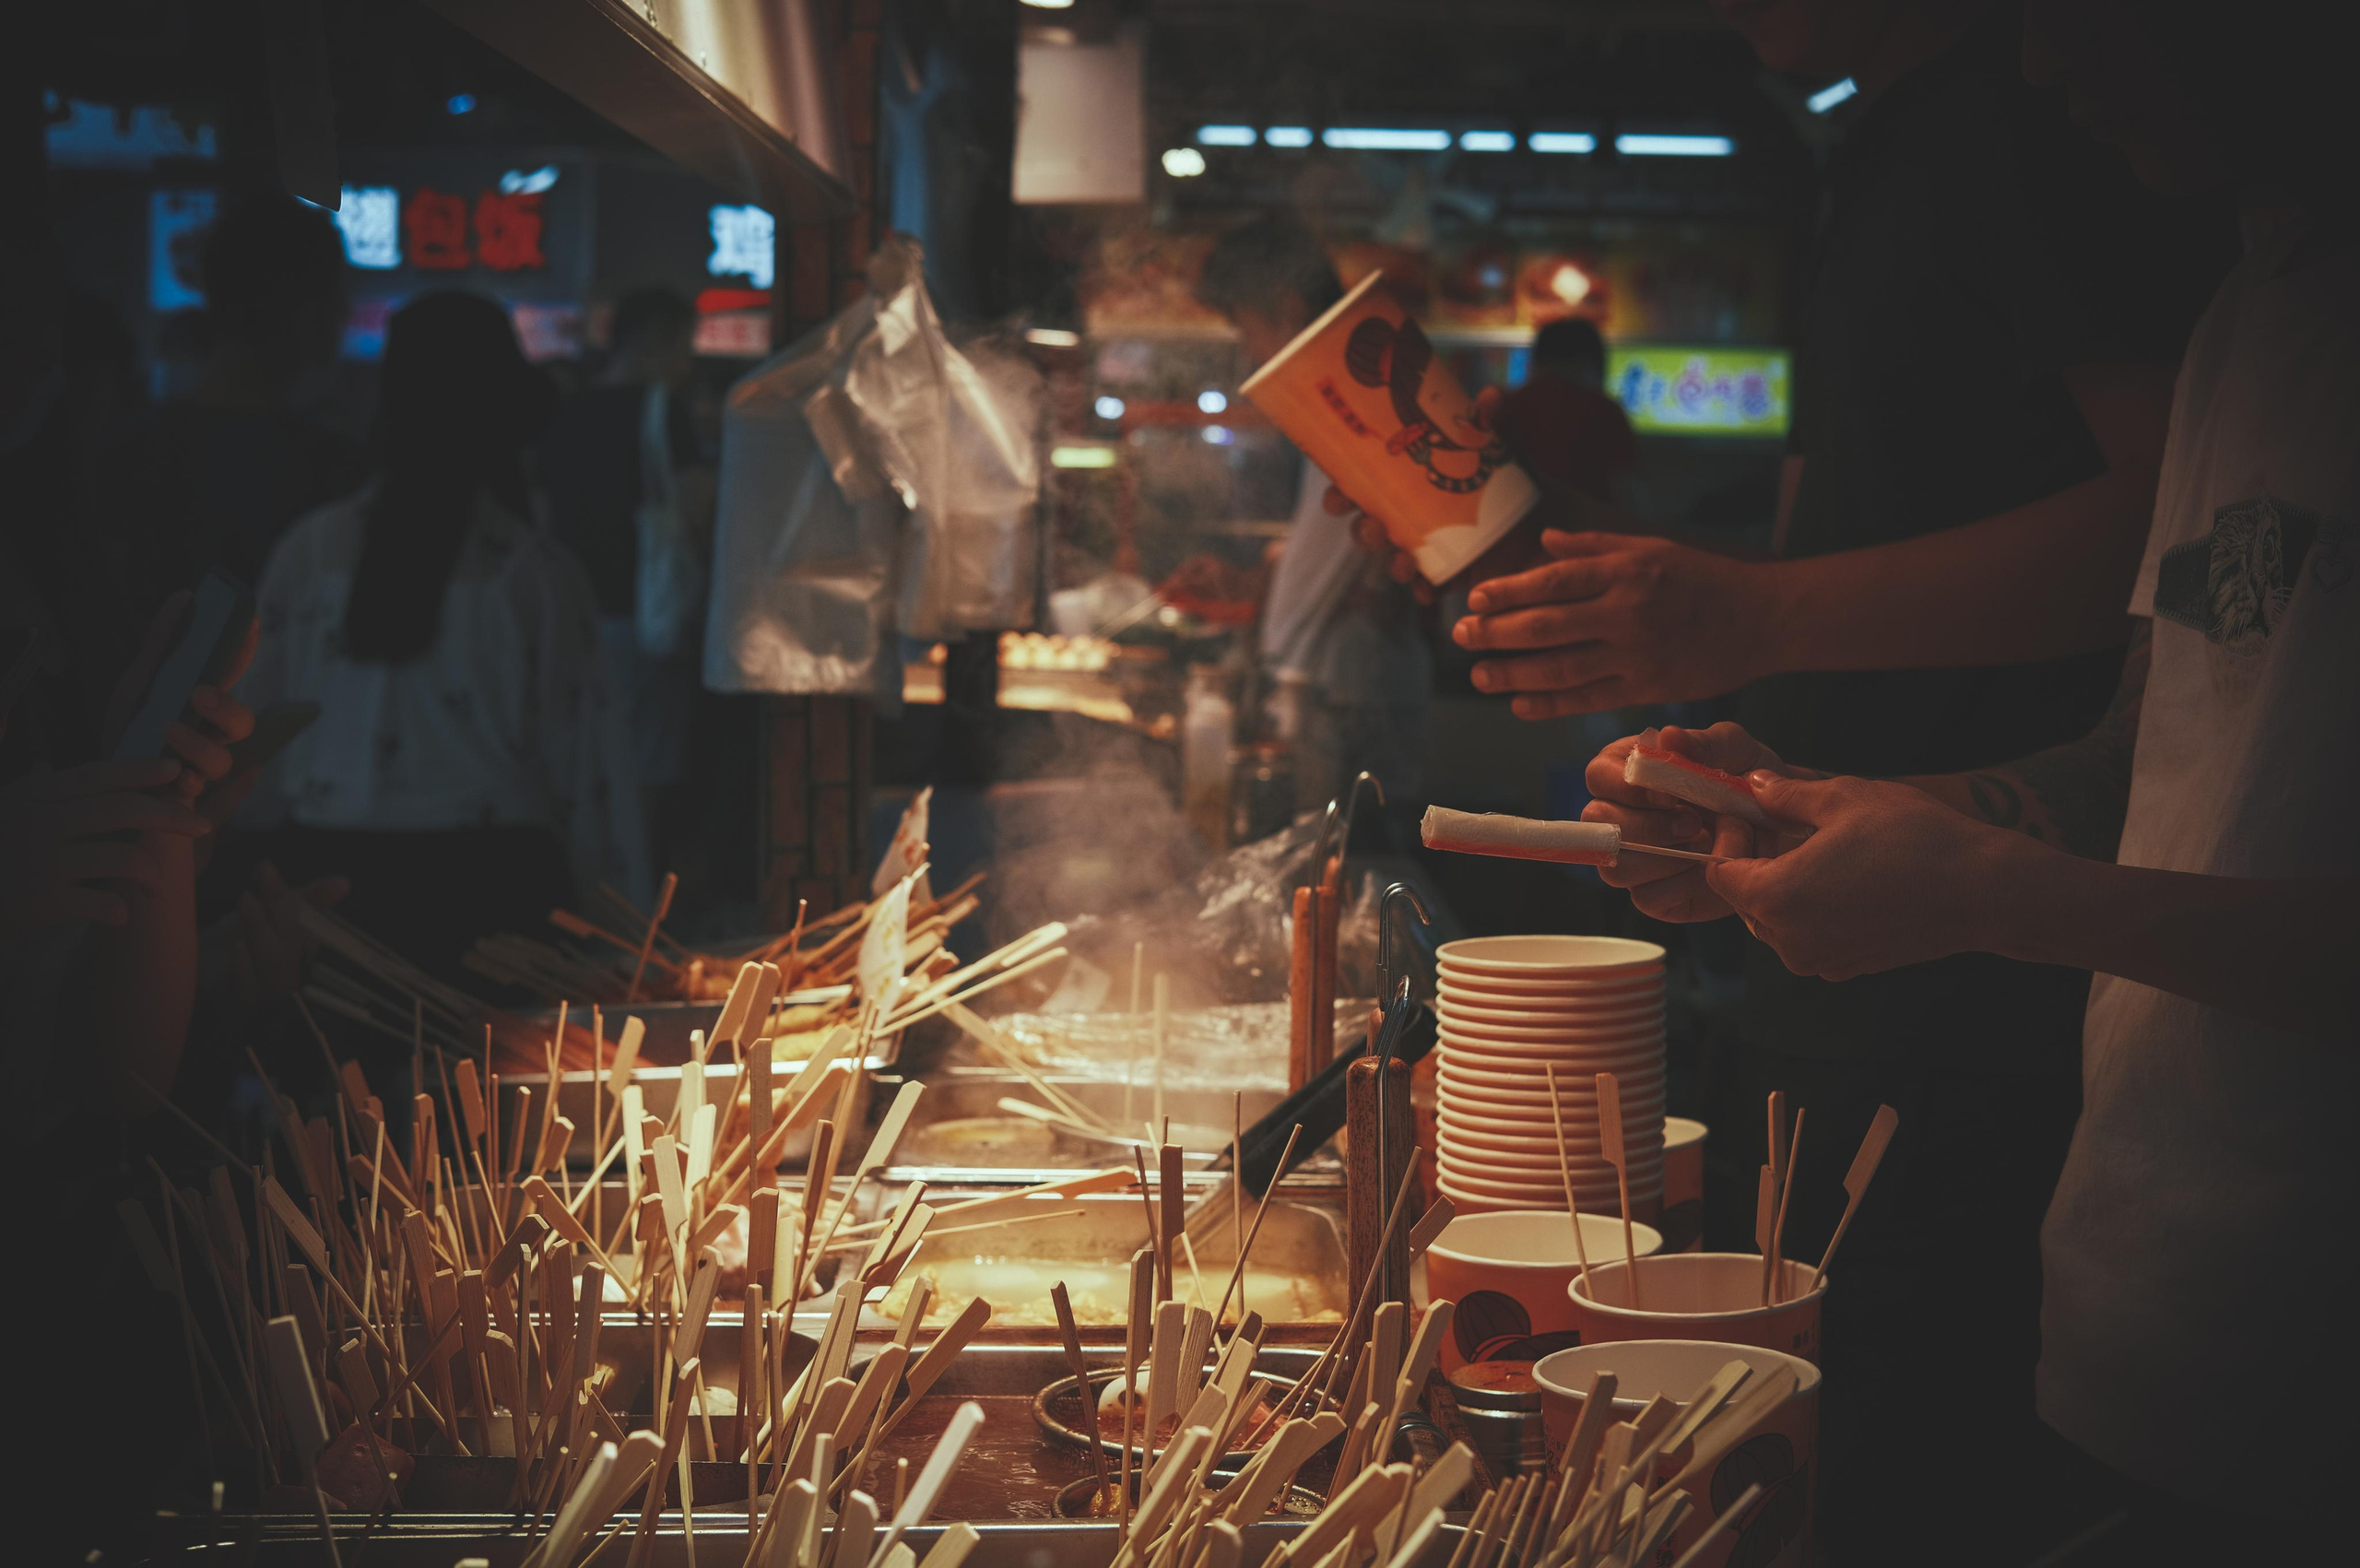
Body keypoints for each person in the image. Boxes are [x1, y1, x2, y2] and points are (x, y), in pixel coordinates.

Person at [1341, 3, 2234, 1561]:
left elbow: (2171, 541)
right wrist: (1583, 557)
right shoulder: (1879, 149)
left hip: (1981, 1002)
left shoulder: (2040, 123)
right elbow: (1822, 557)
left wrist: (1755, 618)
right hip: (1841, 906)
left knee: (1892, 1472)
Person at [1584, 0, 2354, 1557]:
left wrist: (2000, 900)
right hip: (2133, 1316)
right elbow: (2152, 755)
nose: (2046, 62)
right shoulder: (2254, 312)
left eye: (2083, 14)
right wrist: (1798, 805)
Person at [242, 291, 642, 984]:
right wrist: (624, 944)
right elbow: (588, 778)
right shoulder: (537, 576)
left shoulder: (309, 553)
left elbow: (255, 742)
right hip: (492, 895)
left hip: (323, 888)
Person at [1197, 217, 1432, 804]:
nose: (1248, 349)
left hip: (1352, 688)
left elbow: (1397, 552)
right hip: (1330, 682)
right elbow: (1341, 536)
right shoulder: (1334, 390)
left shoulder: (1358, 386)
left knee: (1351, 850)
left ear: (1286, 305)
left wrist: (1379, 585)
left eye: (1244, 326)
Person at [100, 195, 363, 633]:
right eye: (339, 298)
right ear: (308, 313)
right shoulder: (331, 472)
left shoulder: (125, 454)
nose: (345, 316)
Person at [540, 287, 709, 881]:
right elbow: (694, 506)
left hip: (571, 610)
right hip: (645, 615)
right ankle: (636, 892)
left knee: (583, 756)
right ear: (655, 342)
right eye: (684, 346)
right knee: (647, 763)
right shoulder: (662, 410)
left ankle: (586, 887)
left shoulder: (568, 411)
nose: (688, 363)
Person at [1492, 316, 1636, 504]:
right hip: (1588, 518)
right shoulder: (1605, 411)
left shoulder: (1508, 406)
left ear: (1536, 360)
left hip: (1521, 517)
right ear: (1590, 362)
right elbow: (1626, 490)